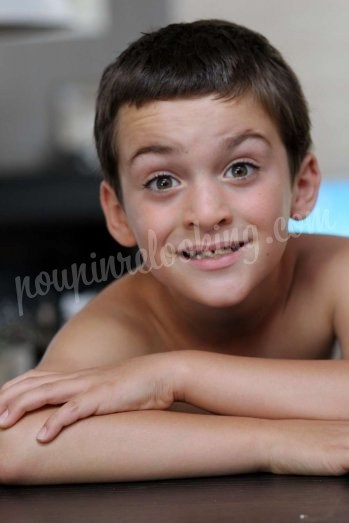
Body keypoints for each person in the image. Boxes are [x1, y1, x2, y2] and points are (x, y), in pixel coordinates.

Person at [1, 19, 349, 485]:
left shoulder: (333, 272)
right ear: (119, 213)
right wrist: (276, 442)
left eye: (241, 168)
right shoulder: (121, 323)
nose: (206, 214)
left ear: (302, 186)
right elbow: (15, 442)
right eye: (162, 181)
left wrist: (176, 375)